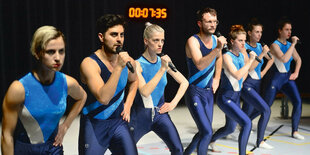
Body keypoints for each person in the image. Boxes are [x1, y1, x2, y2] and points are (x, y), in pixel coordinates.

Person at [1, 25, 87, 155]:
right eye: (51, 52)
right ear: (37, 53)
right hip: (25, 151)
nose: (58, 58)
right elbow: (7, 136)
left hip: (53, 149)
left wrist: (65, 126)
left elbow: (82, 96)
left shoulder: (67, 83)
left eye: (61, 51)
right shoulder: (19, 89)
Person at [78, 14, 138, 155]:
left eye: (122, 35)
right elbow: (104, 98)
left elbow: (134, 81)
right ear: (101, 37)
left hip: (118, 123)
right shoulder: (89, 64)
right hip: (94, 124)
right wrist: (118, 68)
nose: (119, 39)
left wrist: (128, 105)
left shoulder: (128, 61)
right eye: (114, 35)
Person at [129, 22, 188, 155]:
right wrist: (162, 69)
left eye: (162, 40)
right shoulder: (138, 64)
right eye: (156, 40)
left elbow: (184, 82)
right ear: (146, 41)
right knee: (124, 151)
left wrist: (173, 103)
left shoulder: (164, 62)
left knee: (178, 150)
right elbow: (144, 91)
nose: (160, 44)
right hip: (140, 117)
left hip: (160, 115)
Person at [183, 7, 226, 155]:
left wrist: (217, 78)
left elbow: (219, 58)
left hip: (208, 92)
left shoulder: (215, 40)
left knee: (204, 131)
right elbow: (200, 64)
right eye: (209, 21)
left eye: (215, 21)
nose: (213, 24)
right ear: (200, 23)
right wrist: (217, 49)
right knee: (207, 132)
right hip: (194, 91)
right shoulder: (193, 41)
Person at [209, 25, 256, 155]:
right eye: (240, 40)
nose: (243, 43)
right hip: (225, 98)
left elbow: (245, 72)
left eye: (244, 40)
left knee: (230, 128)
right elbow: (236, 74)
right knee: (246, 123)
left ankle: (210, 140)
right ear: (232, 41)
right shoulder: (226, 56)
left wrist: (241, 81)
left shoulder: (241, 56)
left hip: (235, 97)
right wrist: (250, 60)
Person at [262, 17, 304, 140]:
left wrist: (296, 72)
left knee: (297, 102)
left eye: (290, 29)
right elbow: (284, 59)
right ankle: (246, 123)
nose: (289, 32)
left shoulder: (290, 45)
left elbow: (298, 59)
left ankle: (295, 131)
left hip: (287, 78)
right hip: (275, 79)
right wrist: (294, 44)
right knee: (265, 105)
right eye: (286, 29)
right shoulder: (275, 45)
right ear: (280, 31)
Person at [240, 18, 274, 149]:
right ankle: (260, 141)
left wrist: (264, 72)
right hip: (247, 84)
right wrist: (263, 53)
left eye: (260, 32)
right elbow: (250, 68)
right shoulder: (245, 47)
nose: (259, 35)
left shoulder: (260, 46)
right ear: (249, 33)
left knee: (246, 116)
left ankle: (229, 130)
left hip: (257, 84)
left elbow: (271, 60)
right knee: (266, 110)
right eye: (256, 32)